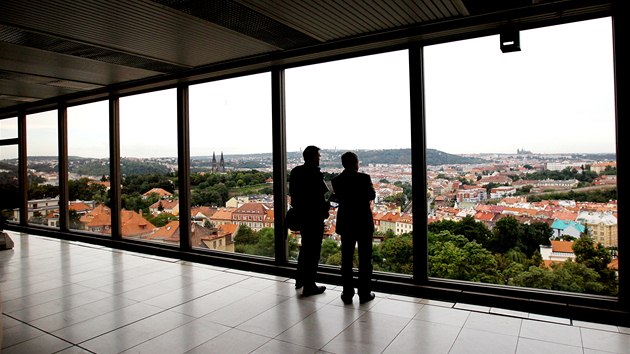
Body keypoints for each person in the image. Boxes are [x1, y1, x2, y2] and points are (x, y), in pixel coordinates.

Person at [332, 151, 376, 304]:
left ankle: (347, 293)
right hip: (363, 222)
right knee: (365, 259)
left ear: (343, 164)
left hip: (346, 222)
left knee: (346, 259)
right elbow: (372, 195)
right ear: (356, 163)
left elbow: (337, 198)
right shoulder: (364, 178)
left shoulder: (336, 180)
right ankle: (364, 293)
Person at [289, 145, 330, 296]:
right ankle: (309, 285)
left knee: (305, 247)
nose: (319, 158)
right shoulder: (315, 174)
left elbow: (293, 196)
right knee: (313, 251)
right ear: (313, 157)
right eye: (318, 156)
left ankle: (300, 279)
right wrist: (326, 207)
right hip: (314, 217)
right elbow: (320, 197)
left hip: (301, 215)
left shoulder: (295, 172)